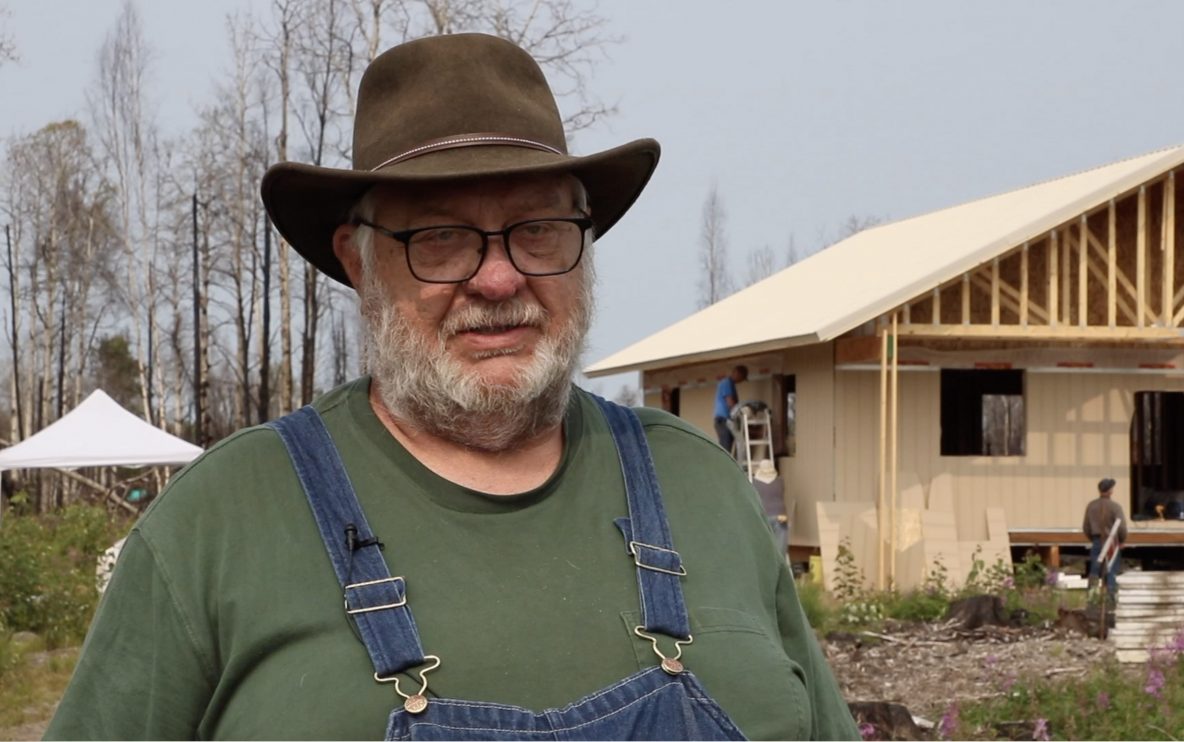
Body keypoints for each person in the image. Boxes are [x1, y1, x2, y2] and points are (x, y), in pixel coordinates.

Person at [45, 34, 856, 741]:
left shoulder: (704, 490)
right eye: (440, 237)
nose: (499, 278)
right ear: (359, 263)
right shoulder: (219, 525)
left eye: (538, 228)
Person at [1082, 477, 1128, 597]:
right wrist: (1122, 540)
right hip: (1112, 542)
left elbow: (1086, 526)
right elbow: (1121, 527)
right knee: (1111, 571)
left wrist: (1093, 538)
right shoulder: (1115, 507)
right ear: (1110, 490)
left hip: (1097, 540)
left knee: (1094, 570)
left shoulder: (1091, 506)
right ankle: (1110, 599)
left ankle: (1091, 597)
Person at [751, 459, 789, 560]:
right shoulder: (780, 481)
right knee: (780, 550)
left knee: (763, 546)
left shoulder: (754, 483)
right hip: (780, 516)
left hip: (763, 516)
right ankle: (780, 569)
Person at [713, 365, 747, 454]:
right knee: (725, 448)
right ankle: (722, 467)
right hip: (723, 421)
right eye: (742, 378)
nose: (741, 381)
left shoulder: (731, 384)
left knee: (728, 447)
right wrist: (740, 414)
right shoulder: (726, 383)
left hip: (725, 420)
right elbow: (730, 402)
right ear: (737, 373)